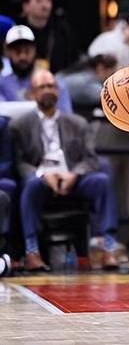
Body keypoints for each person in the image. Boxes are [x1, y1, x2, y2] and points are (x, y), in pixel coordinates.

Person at [11, 70, 119, 271]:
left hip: (73, 177)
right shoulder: (20, 126)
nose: (47, 90)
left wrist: (74, 174)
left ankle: (108, 249)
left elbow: (90, 158)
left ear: (58, 91)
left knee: (102, 181)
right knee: (31, 184)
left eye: (51, 86)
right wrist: (43, 175)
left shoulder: (77, 123)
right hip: (41, 179)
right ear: (32, 94)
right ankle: (32, 252)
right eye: (41, 87)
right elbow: (21, 163)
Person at [0, 25, 73, 113]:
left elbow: (66, 116)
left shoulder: (53, 83)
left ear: (35, 50)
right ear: (8, 52)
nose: (23, 57)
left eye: (27, 51)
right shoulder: (2, 83)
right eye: (17, 51)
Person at [19, 0, 79, 73]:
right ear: (25, 6)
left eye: (48, 0)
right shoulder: (18, 31)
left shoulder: (63, 31)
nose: (45, 6)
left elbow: (73, 62)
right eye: (38, 1)